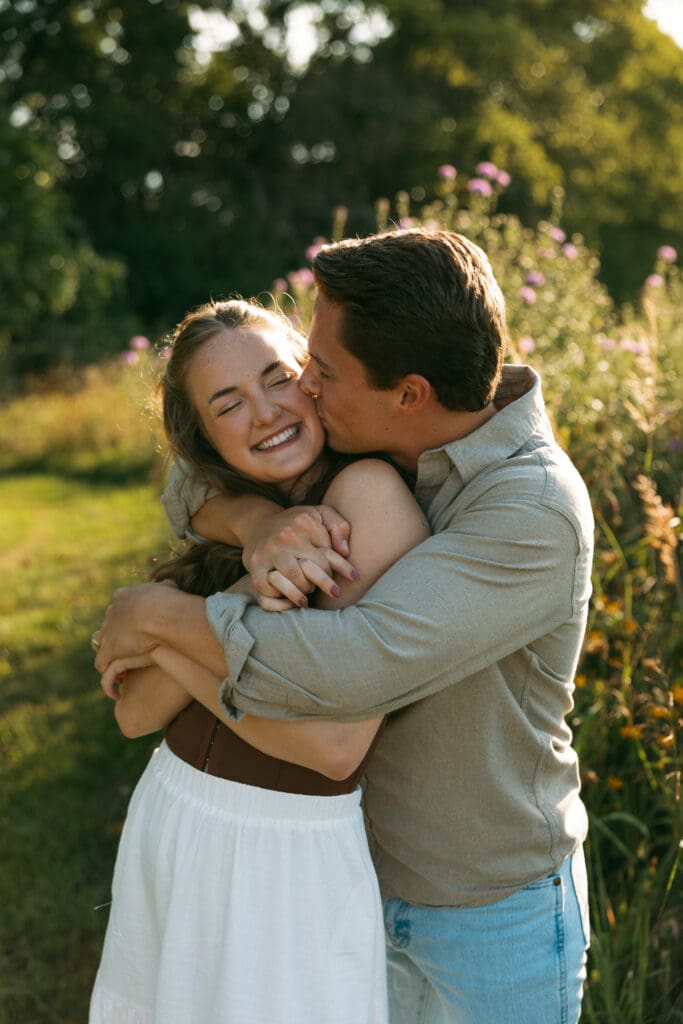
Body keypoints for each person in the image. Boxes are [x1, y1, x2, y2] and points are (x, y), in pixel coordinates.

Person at [95, 228, 595, 1024]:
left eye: (315, 373)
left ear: (409, 394)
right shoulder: (391, 437)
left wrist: (161, 617)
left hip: (484, 907)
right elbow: (194, 473)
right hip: (353, 874)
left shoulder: (527, 512)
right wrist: (256, 520)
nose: (306, 394)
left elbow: (346, 669)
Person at [89, 298, 430, 1024]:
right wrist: (245, 573)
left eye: (278, 378)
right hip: (174, 818)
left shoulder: (367, 500)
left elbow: (331, 750)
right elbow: (132, 711)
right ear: (206, 436)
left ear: (312, 377)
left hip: (286, 856)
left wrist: (161, 628)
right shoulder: (237, 516)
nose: (266, 412)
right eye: (228, 404)